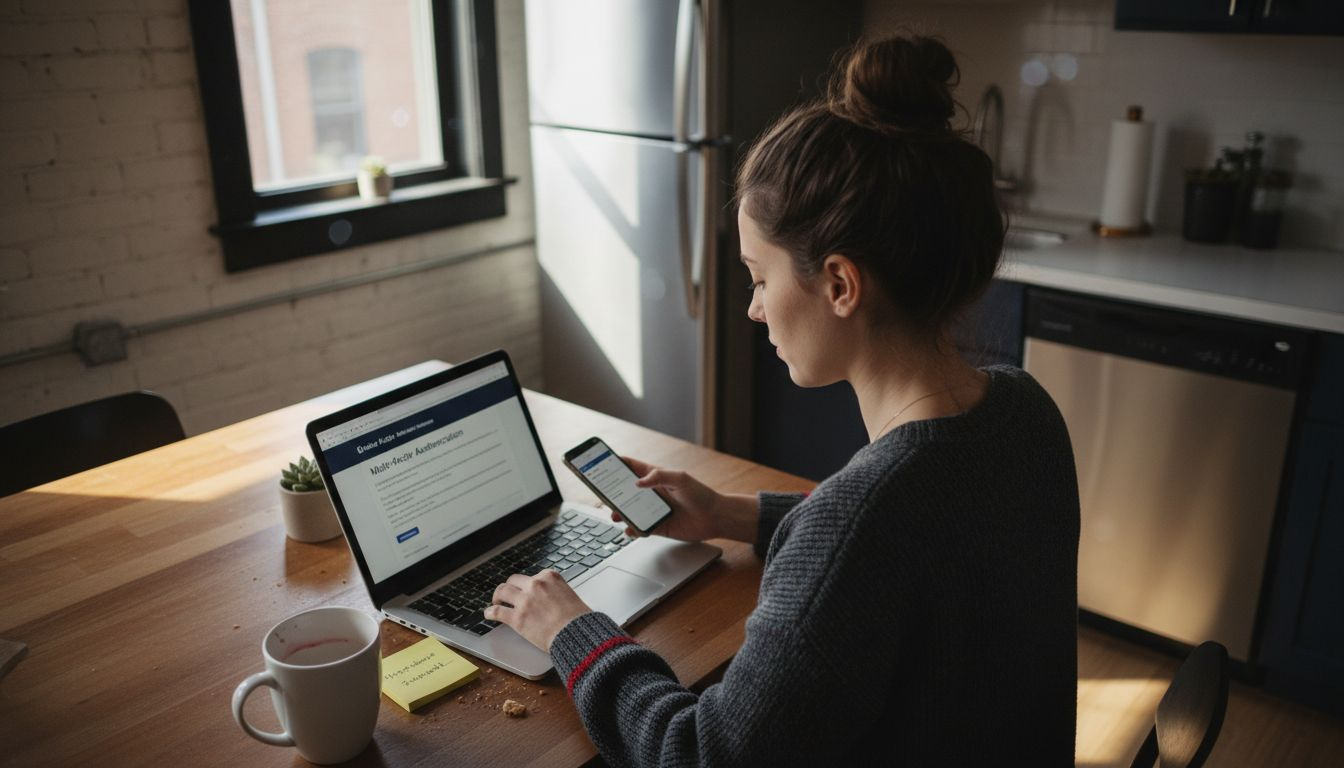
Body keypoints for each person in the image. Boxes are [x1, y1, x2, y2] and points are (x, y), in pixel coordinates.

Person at [485, 33, 1080, 766]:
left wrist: (572, 629)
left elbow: (697, 753)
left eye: (759, 278)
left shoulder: (858, 522)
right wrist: (730, 513)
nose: (754, 310)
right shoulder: (1026, 412)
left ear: (839, 284)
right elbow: (915, 543)